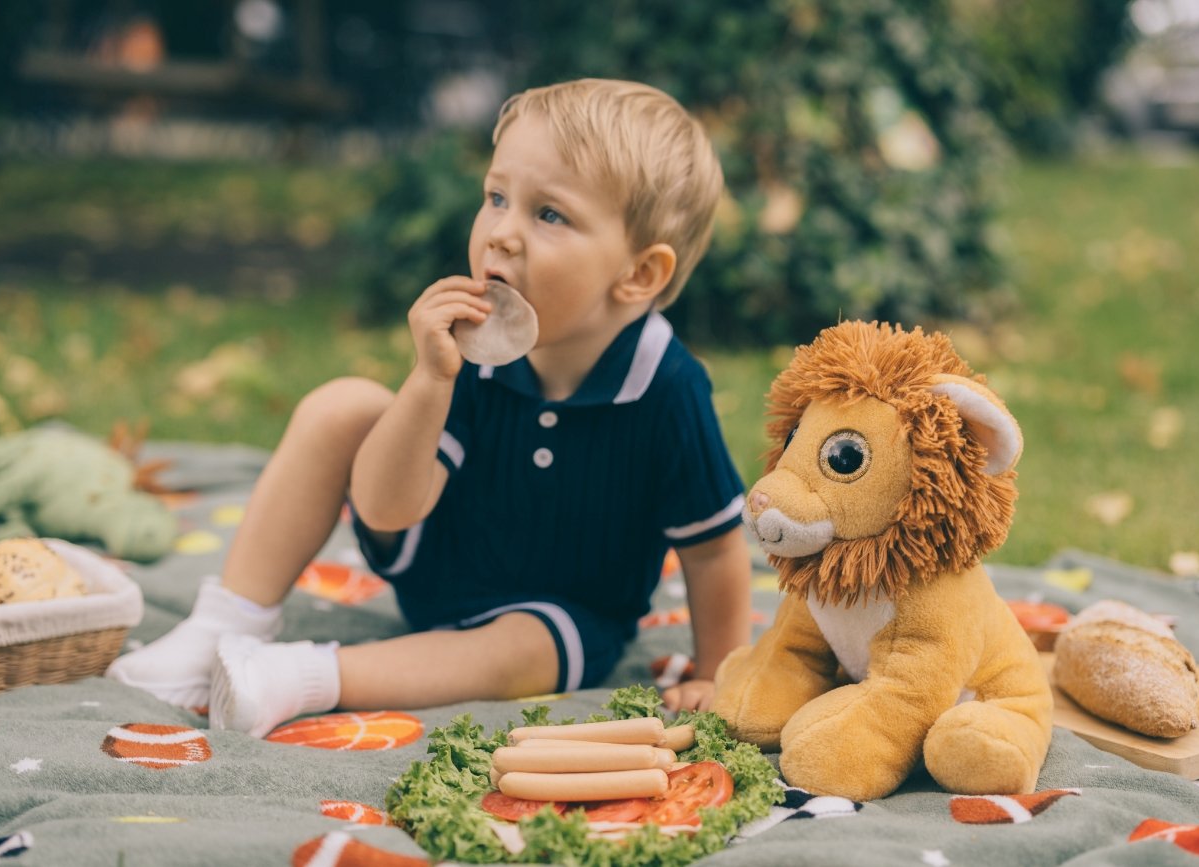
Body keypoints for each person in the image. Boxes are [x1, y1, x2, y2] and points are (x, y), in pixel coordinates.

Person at [107, 78, 754, 738]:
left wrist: (718, 672)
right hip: (435, 554)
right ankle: (224, 627)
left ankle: (301, 675)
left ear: (639, 274)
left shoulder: (668, 387)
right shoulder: (478, 350)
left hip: (558, 619)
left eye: (549, 215)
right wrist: (429, 379)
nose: (501, 233)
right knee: (344, 405)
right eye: (496, 198)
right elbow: (387, 509)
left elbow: (713, 550)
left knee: (532, 649)